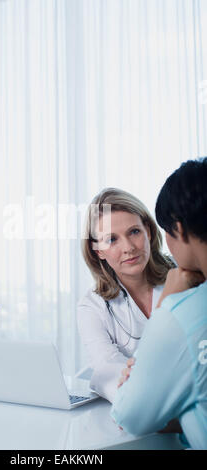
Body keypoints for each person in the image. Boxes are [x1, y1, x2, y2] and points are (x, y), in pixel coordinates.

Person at [110, 158, 207, 450]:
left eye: (135, 232)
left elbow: (130, 416)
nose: (127, 246)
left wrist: (166, 306)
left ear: (176, 228)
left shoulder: (181, 315)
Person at [77, 188, 175, 403]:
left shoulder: (184, 276)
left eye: (134, 232)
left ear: (148, 231)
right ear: (98, 251)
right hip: (139, 404)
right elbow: (107, 367)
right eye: (112, 239)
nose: (129, 248)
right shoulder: (92, 306)